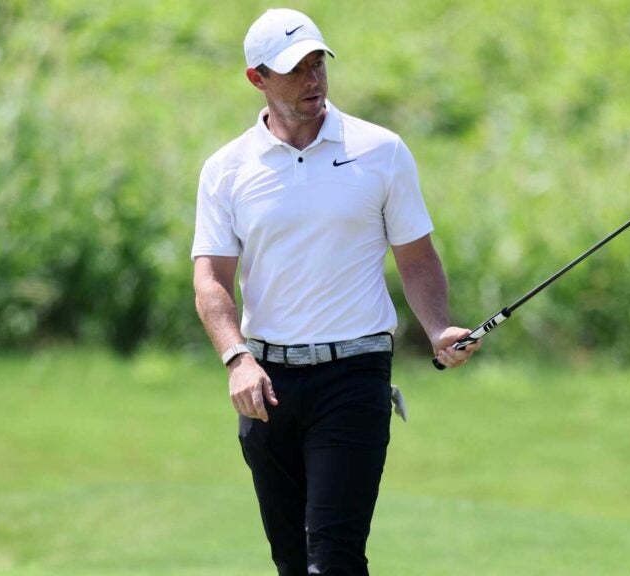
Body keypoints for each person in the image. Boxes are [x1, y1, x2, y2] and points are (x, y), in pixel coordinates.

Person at [191, 8, 480, 575]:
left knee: (335, 560)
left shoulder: (381, 151)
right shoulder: (226, 169)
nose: (312, 80)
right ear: (257, 78)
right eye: (295, 69)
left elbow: (417, 258)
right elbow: (212, 279)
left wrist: (438, 326)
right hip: (266, 384)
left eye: (318, 63)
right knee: (293, 563)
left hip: (355, 375)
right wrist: (236, 358)